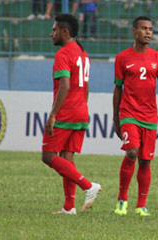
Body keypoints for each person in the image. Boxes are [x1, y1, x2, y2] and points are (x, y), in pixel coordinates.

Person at [113, 16, 158, 217]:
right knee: (132, 152)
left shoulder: (157, 57)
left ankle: (141, 205)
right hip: (129, 113)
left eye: (150, 29)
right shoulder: (122, 57)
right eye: (144, 28)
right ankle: (122, 200)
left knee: (145, 161)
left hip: (149, 115)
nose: (148, 32)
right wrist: (116, 118)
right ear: (134, 31)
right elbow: (117, 88)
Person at [42, 13, 101, 215]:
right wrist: (83, 107)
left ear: (65, 31)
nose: (52, 34)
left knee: (48, 156)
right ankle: (69, 207)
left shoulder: (64, 54)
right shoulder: (83, 54)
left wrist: (53, 114)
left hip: (67, 112)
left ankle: (88, 185)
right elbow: (86, 87)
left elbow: (65, 85)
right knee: (67, 157)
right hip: (81, 110)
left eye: (54, 30)